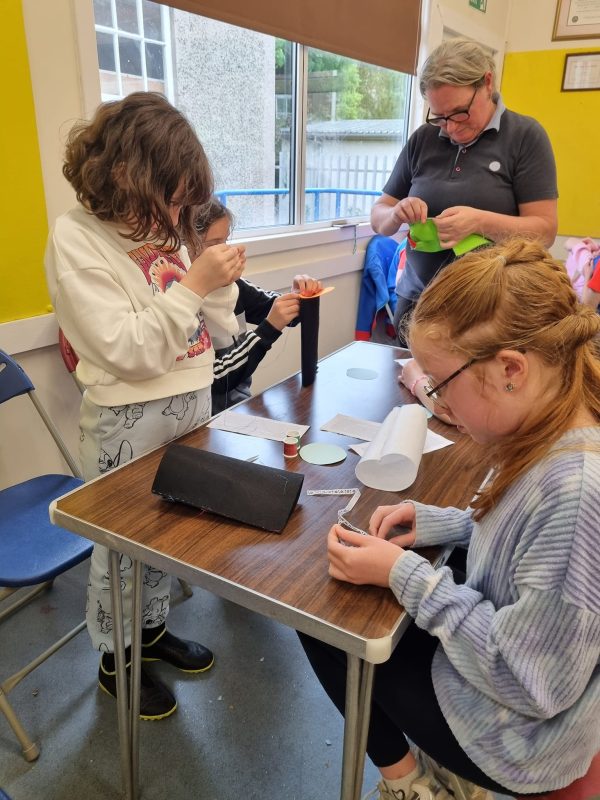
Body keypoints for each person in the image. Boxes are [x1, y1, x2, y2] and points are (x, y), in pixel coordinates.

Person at [298, 238, 600, 800]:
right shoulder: (547, 429)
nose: (436, 402)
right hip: (508, 683)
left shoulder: (576, 491)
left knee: (324, 622)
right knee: (336, 604)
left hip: (516, 734)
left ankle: (415, 786)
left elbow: (529, 681)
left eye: (440, 384)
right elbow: (514, 536)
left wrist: (405, 575)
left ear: (511, 369)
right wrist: (440, 523)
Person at [45, 92, 246, 720]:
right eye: (172, 193)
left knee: (169, 533)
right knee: (121, 549)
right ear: (129, 177)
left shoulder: (164, 224)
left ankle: (151, 634)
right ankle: (115, 658)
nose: (179, 209)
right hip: (127, 416)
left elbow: (217, 322)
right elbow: (128, 350)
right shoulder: (76, 238)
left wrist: (219, 279)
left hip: (187, 400)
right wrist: (194, 283)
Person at [370, 38, 558, 343]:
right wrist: (396, 213)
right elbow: (379, 218)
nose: (452, 128)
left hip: (488, 310)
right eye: (440, 117)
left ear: (487, 83)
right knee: (406, 384)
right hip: (418, 302)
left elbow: (545, 232)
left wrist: (479, 222)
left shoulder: (526, 137)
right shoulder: (424, 138)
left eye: (459, 113)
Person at [188, 198, 322, 413]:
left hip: (238, 407)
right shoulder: (183, 303)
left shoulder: (233, 286)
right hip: (204, 417)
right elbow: (215, 382)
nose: (226, 252)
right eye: (214, 244)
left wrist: (299, 296)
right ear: (186, 246)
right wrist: (268, 329)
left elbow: (282, 312)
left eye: (226, 241)